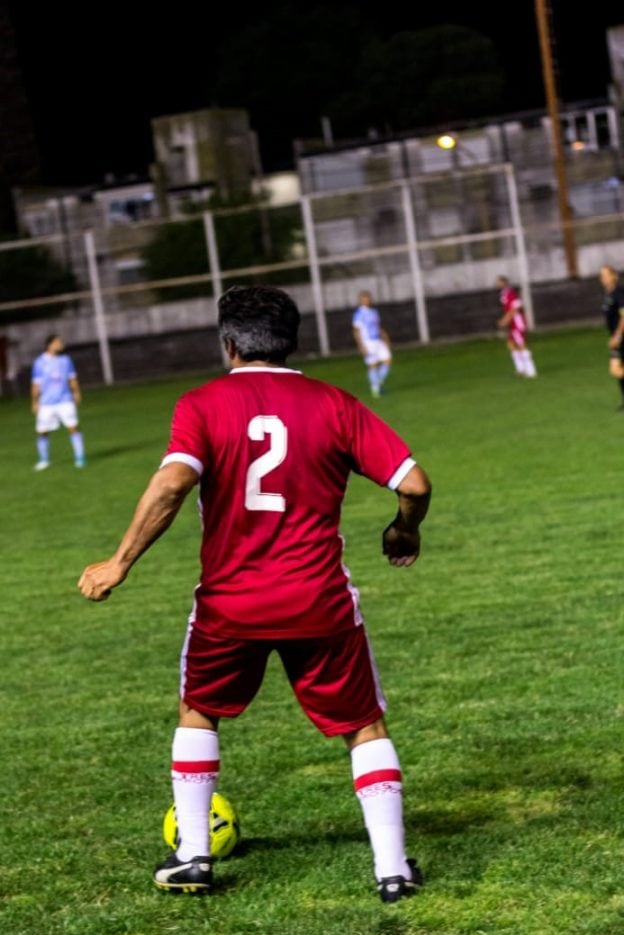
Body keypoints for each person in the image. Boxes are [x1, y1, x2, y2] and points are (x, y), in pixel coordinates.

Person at [78, 285, 432, 903]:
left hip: (229, 603)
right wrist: (404, 528)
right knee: (363, 726)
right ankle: (392, 870)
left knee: (200, 711)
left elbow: (171, 485)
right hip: (318, 600)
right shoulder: (335, 403)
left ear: (230, 343)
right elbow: (415, 482)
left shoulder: (203, 403)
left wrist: (120, 561)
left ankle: (193, 856)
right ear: (293, 341)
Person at [31, 334, 86, 470]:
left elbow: (72, 378)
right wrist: (35, 401)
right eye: (58, 342)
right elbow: (36, 384)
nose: (61, 344)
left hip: (65, 400)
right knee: (43, 431)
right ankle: (44, 460)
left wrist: (77, 392)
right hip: (47, 403)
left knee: (73, 428)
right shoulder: (39, 362)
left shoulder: (65, 360)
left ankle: (80, 458)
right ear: (50, 345)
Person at [352, 290, 392, 397]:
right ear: (360, 301)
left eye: (368, 298)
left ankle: (377, 383)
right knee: (373, 365)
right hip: (367, 342)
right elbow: (356, 330)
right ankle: (375, 389)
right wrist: (360, 345)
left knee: (388, 360)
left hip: (377, 340)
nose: (366, 300)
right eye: (364, 299)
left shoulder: (374, 312)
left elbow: (377, 326)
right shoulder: (359, 314)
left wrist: (384, 336)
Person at [496, 275, 538, 378]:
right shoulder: (503, 294)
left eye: (498, 282)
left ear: (504, 282)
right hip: (512, 323)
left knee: (521, 345)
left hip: (517, 322)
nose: (497, 284)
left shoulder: (510, 293)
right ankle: (521, 369)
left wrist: (505, 319)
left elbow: (516, 307)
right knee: (511, 344)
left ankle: (531, 371)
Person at [598, 264, 624, 409]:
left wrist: (618, 336)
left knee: (617, 368)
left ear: (614, 276)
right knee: (616, 369)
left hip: (621, 337)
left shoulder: (619, 293)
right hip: (615, 336)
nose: (603, 278)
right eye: (601, 276)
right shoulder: (607, 294)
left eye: (606, 275)